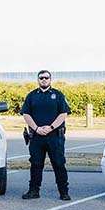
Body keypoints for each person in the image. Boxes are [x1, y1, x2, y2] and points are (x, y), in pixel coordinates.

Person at [21, 70, 71, 201]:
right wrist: (37, 128)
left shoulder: (58, 95)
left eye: (46, 78)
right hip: (37, 136)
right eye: (41, 78)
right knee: (36, 164)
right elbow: (26, 114)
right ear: (38, 80)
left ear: (50, 79)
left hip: (55, 136)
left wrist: (51, 127)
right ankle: (33, 191)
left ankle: (64, 192)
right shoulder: (31, 96)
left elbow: (63, 114)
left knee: (59, 164)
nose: (44, 80)